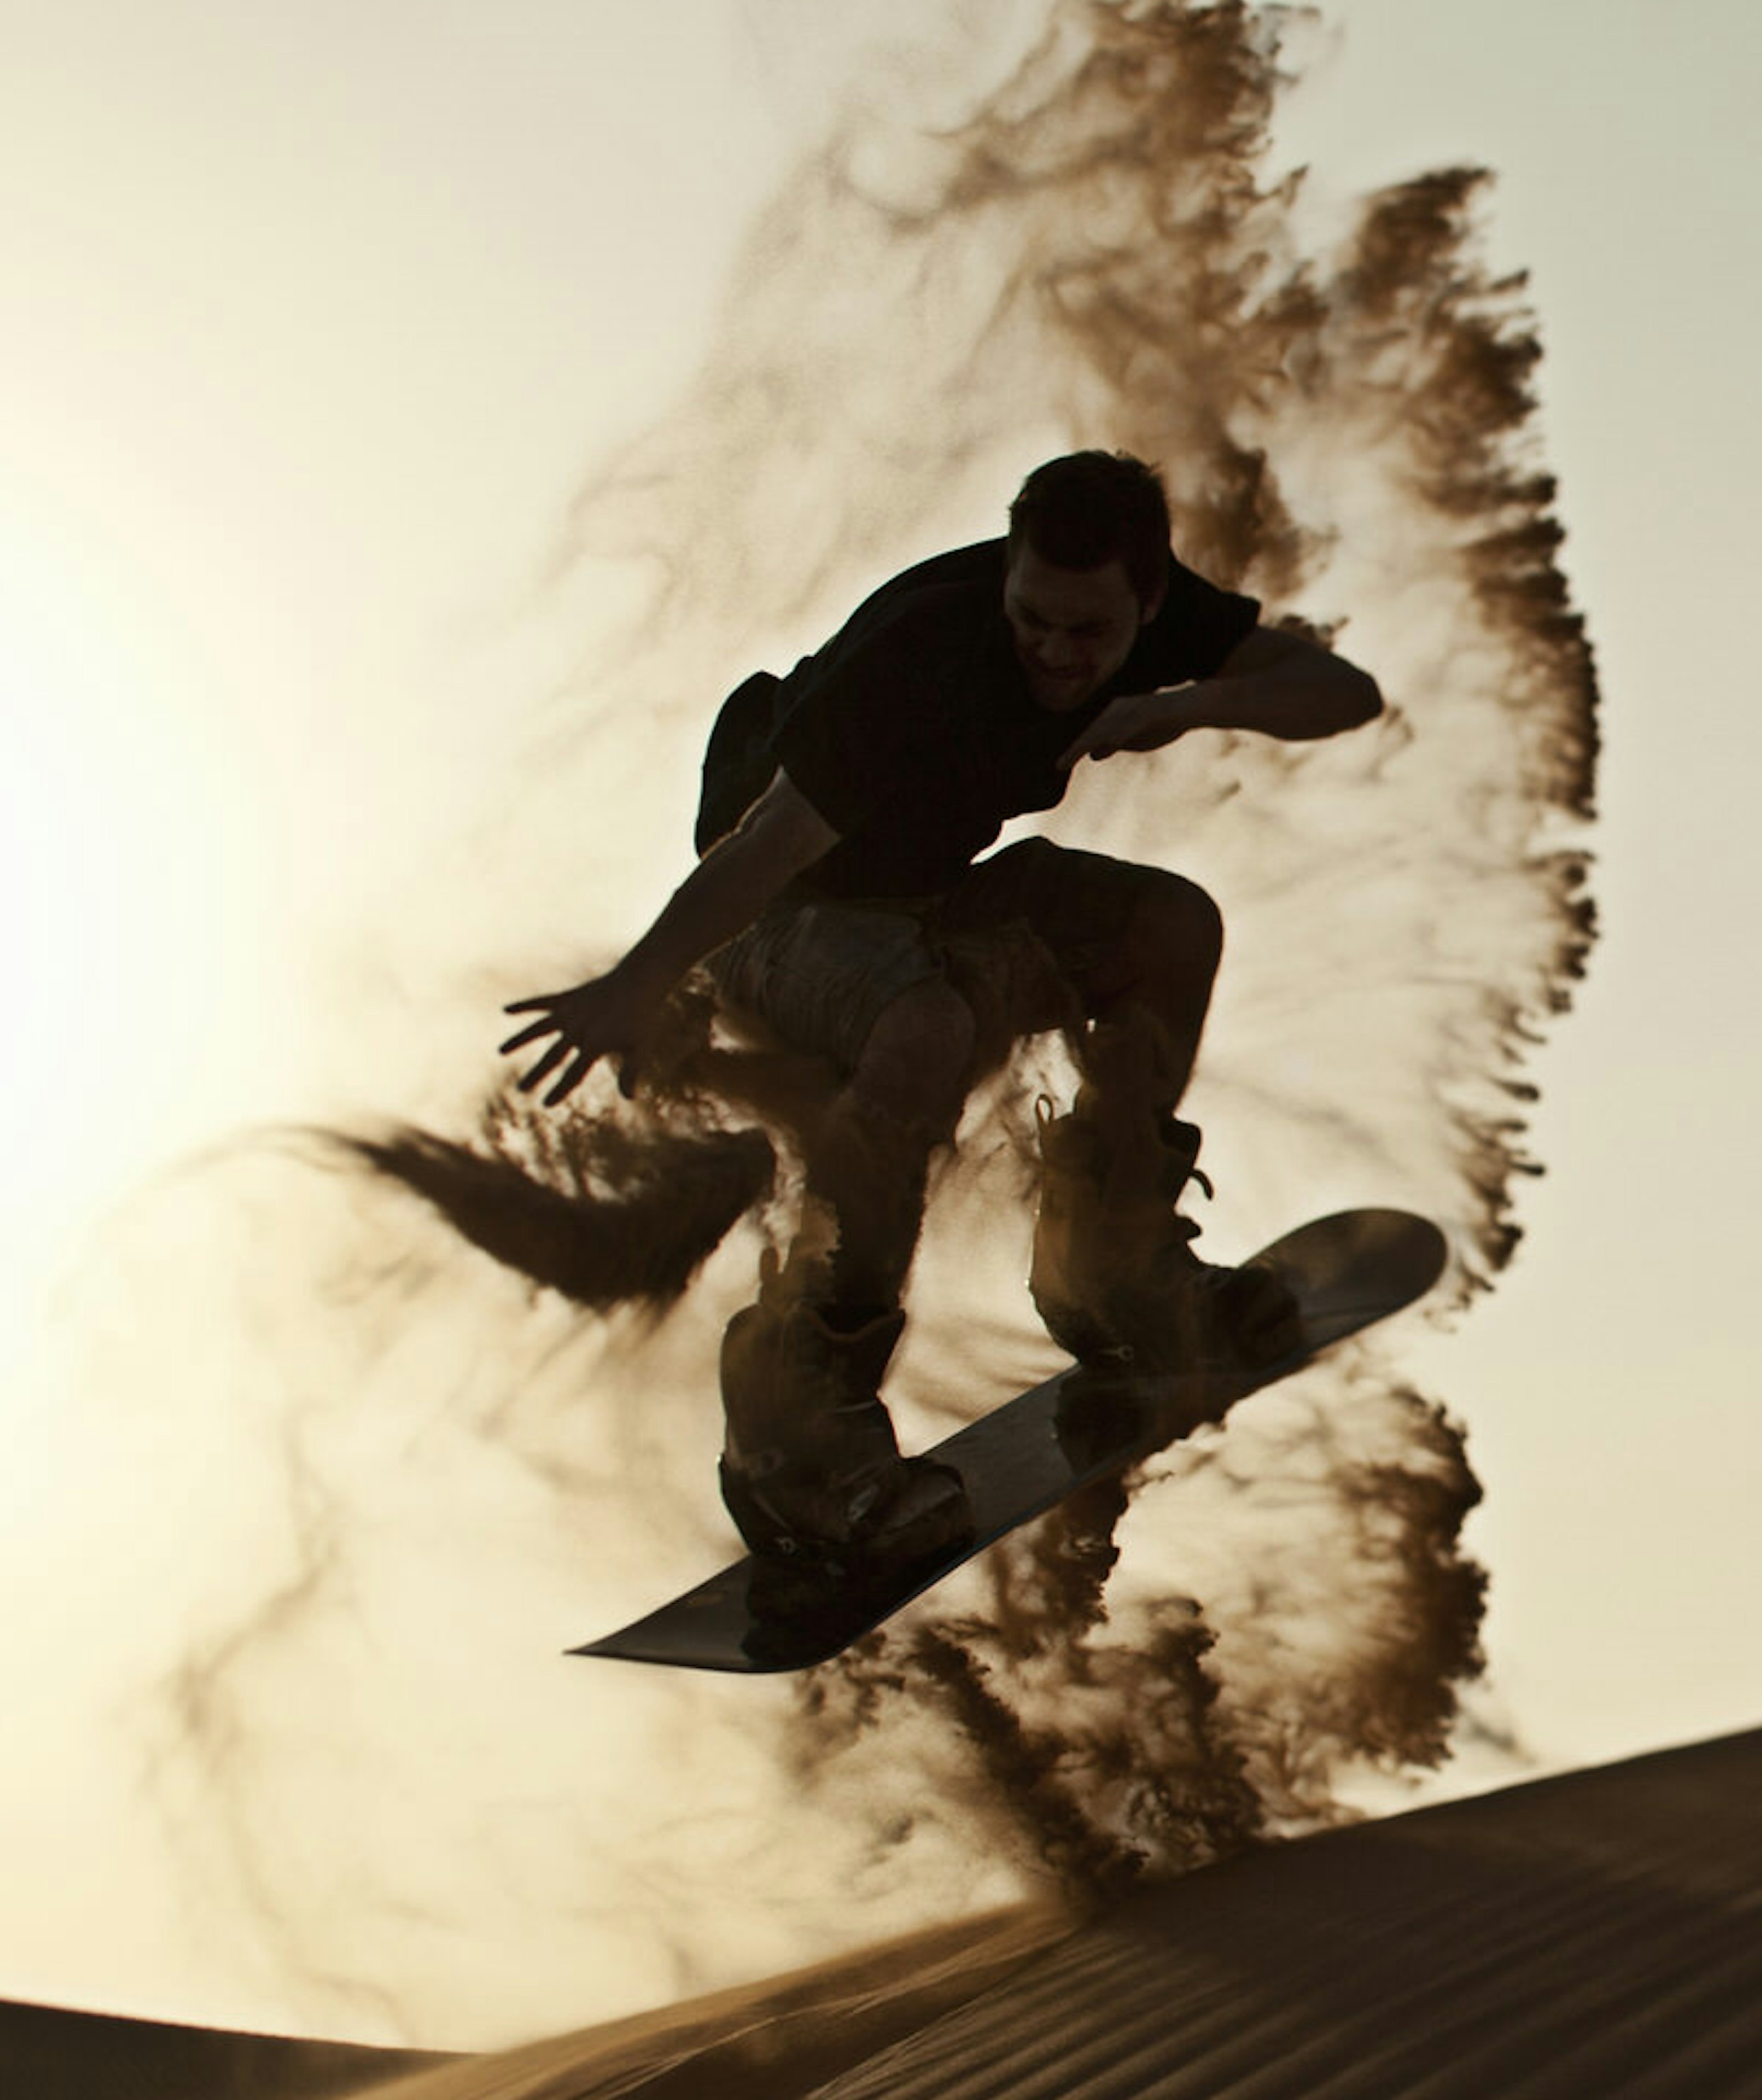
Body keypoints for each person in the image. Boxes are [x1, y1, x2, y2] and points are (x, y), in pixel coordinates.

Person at [500, 450, 1383, 1577]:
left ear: (1147, 603)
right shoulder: (911, 662)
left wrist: (1185, 702)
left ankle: (1109, 1266)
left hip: (923, 899)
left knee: (1171, 927)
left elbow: (1339, 692)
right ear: (1007, 575)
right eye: (1032, 621)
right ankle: (801, 1418)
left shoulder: (1154, 624)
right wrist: (634, 983)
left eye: (1089, 636)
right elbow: (759, 857)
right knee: (924, 1029)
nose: (1057, 655)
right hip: (780, 919)